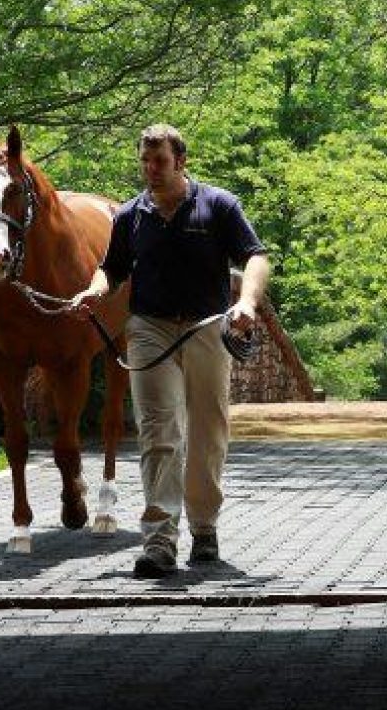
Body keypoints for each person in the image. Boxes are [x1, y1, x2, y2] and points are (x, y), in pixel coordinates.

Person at [67, 123, 271, 577]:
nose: (150, 169)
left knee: (207, 431)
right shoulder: (130, 216)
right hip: (149, 329)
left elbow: (255, 257)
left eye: (158, 161)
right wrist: (93, 291)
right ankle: (159, 541)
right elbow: (111, 269)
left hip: (206, 327)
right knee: (159, 433)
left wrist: (246, 302)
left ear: (180, 161)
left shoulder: (218, 205)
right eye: (144, 160)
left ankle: (204, 528)